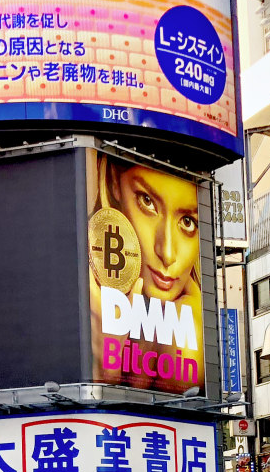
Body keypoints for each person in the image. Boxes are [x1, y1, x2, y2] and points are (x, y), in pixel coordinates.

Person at [87, 153, 204, 394]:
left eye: (187, 222)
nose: (168, 253)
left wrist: (104, 373)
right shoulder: (76, 286)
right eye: (147, 201)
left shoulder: (189, 327)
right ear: (113, 182)